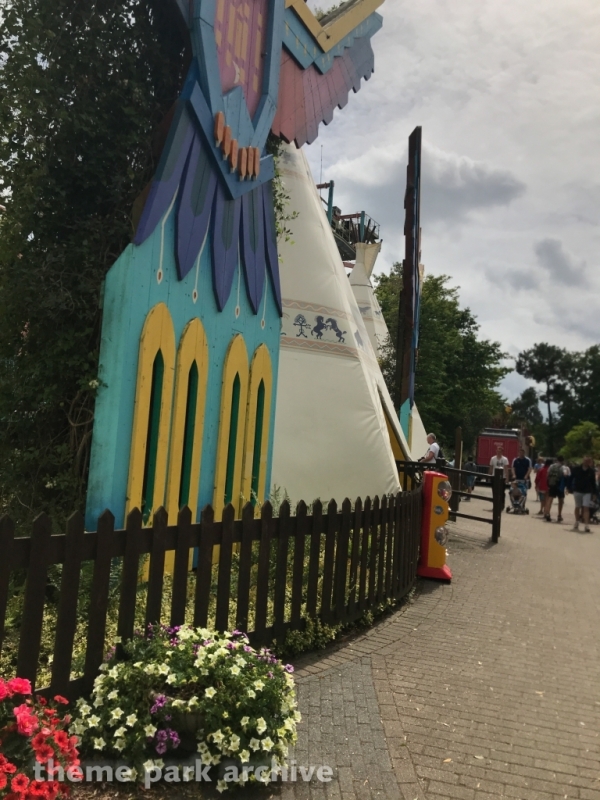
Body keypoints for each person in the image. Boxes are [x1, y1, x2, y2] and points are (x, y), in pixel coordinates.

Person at [570, 456, 596, 533]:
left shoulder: (591, 471)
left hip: (587, 491)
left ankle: (586, 525)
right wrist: (569, 487)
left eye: (588, 461)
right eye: (585, 461)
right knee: (577, 506)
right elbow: (571, 478)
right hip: (577, 490)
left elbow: (593, 483)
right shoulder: (576, 469)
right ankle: (577, 521)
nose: (586, 462)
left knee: (586, 507)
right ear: (583, 461)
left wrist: (594, 493)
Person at [545, 455, 569, 523]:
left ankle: (547, 513)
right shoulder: (564, 467)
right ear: (563, 460)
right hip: (559, 485)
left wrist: (549, 482)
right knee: (560, 500)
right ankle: (559, 515)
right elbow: (565, 475)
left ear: (557, 460)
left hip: (552, 484)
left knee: (550, 498)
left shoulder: (552, 466)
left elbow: (547, 475)